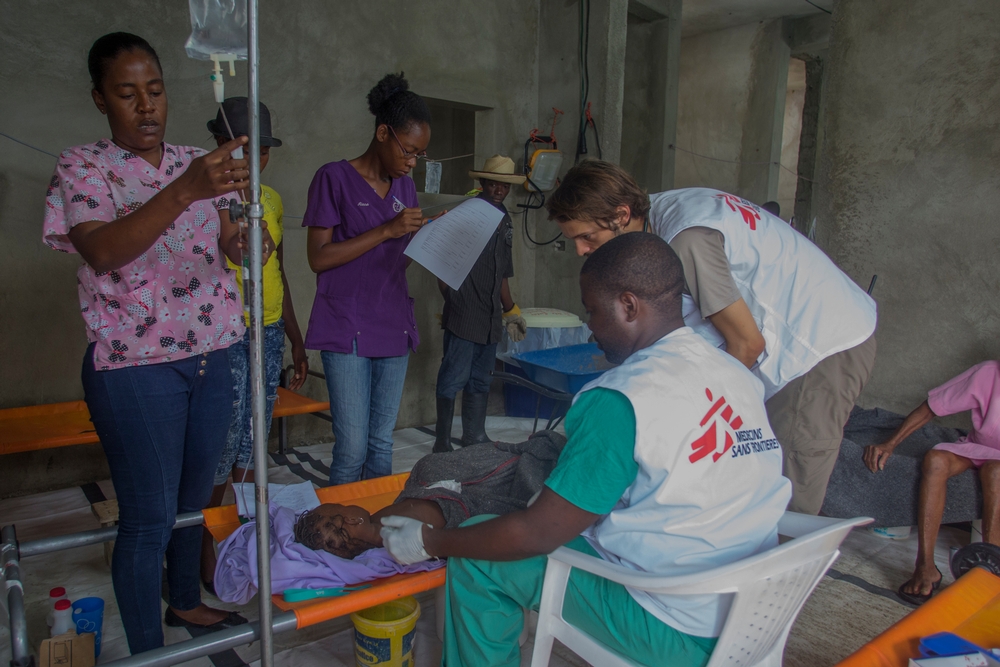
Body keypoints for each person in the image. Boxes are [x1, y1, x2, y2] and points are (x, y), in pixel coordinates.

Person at [380, 233, 791, 667]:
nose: (589, 324)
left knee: (478, 552)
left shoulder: (623, 397)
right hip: (754, 609)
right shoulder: (734, 372)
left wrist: (431, 540)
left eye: (593, 310)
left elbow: (537, 535)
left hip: (676, 629)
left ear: (629, 306)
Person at [42, 32, 249, 653]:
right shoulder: (84, 166)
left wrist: (247, 244)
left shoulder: (199, 160)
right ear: (100, 100)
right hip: (134, 366)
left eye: (154, 91)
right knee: (146, 517)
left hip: (213, 352)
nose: (146, 106)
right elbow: (103, 250)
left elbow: (234, 244)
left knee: (193, 502)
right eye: (127, 94)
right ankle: (144, 650)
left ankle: (184, 598)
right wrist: (186, 188)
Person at [546, 160, 877, 515]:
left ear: (621, 214)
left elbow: (747, 345)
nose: (581, 250)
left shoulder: (687, 238)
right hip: (786, 334)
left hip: (821, 344)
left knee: (788, 474)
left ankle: (778, 567)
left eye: (587, 237)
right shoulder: (655, 215)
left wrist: (692, 415)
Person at [199, 97, 309, 593]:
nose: (250, 159)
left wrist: (295, 339)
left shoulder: (272, 200)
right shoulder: (205, 198)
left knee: (255, 433)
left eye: (259, 150)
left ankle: (241, 532)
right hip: (224, 330)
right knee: (222, 437)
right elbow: (227, 253)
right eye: (240, 148)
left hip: (266, 328)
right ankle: (202, 536)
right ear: (220, 146)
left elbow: (277, 270)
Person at [303, 72, 433, 485]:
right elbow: (318, 259)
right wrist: (387, 230)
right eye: (409, 151)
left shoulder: (406, 188)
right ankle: (336, 538)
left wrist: (426, 240)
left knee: (380, 444)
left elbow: (396, 261)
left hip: (392, 323)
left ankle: (371, 532)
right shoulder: (333, 178)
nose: (412, 163)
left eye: (419, 156)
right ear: (383, 133)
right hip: (347, 327)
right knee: (353, 447)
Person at [295, 431, 564, 558]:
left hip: (542, 479)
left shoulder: (422, 483)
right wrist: (372, 533)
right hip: (549, 476)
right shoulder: (428, 473)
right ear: (352, 520)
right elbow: (446, 512)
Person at [863, 361, 1000, 604]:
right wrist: (890, 443)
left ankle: (990, 572)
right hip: (977, 447)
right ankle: (925, 567)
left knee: (994, 471)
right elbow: (931, 407)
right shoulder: (989, 373)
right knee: (935, 459)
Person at [434, 155, 527, 452]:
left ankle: (474, 435)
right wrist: (452, 298)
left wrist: (510, 309)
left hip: (490, 315)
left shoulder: (505, 219)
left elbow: (502, 271)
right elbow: (442, 259)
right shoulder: (468, 213)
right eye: (493, 183)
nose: (498, 189)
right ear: (483, 183)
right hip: (464, 312)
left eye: (504, 185)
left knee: (481, 379)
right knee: (453, 376)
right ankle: (442, 441)